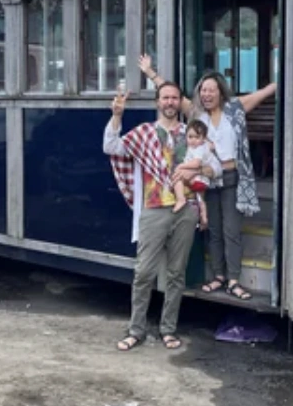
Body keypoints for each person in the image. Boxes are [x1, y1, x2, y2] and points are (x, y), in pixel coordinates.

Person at [139, 56, 276, 301]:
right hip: (206, 179)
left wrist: (285, 79)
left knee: (232, 230)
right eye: (203, 90)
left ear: (220, 92)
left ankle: (234, 279)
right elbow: (169, 93)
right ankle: (218, 276)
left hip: (232, 176)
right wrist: (150, 73)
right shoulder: (195, 112)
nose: (207, 94)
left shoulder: (235, 107)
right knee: (213, 230)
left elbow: (264, 92)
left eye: (211, 90)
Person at [103, 82, 220, 351]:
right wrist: (117, 115)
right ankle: (136, 330)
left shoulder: (191, 133)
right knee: (144, 272)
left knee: (176, 274)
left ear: (180, 102)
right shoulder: (144, 133)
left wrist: (199, 167)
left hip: (186, 210)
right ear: (158, 102)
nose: (170, 102)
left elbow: (215, 169)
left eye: (174, 98)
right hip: (153, 209)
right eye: (165, 97)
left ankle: (168, 329)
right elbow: (110, 146)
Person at [172, 119, 218, 230]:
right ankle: (204, 217)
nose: (193, 140)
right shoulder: (201, 147)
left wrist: (181, 166)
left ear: (203, 138)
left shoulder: (198, 149)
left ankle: (180, 199)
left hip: (197, 179)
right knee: (201, 200)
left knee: (178, 178)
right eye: (190, 137)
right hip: (202, 181)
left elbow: (196, 163)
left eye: (197, 137)